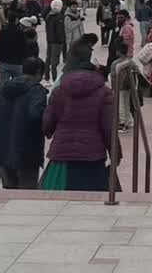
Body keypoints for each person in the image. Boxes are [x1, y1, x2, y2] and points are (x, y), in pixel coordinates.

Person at [42, 36, 117, 191]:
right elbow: (108, 127)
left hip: (62, 155)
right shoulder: (104, 92)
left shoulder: (59, 91)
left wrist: (49, 131)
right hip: (92, 155)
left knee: (57, 200)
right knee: (93, 199)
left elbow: (48, 123)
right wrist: (116, 152)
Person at [0, 57, 49, 188]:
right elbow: (35, 115)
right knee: (27, 195)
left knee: (9, 191)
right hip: (27, 151)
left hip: (2, 150)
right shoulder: (36, 91)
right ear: (38, 71)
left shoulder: (1, 89)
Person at [0, 13, 29, 84]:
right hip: (17, 62)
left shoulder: (1, 32)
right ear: (16, 20)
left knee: (3, 85)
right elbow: (24, 47)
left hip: (4, 61)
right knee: (18, 85)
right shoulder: (20, 33)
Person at [45, 0, 67, 82]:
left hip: (49, 40)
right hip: (57, 41)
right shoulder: (59, 17)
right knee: (55, 61)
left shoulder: (49, 15)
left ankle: (47, 76)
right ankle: (54, 79)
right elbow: (60, 31)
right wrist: (62, 40)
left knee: (48, 58)